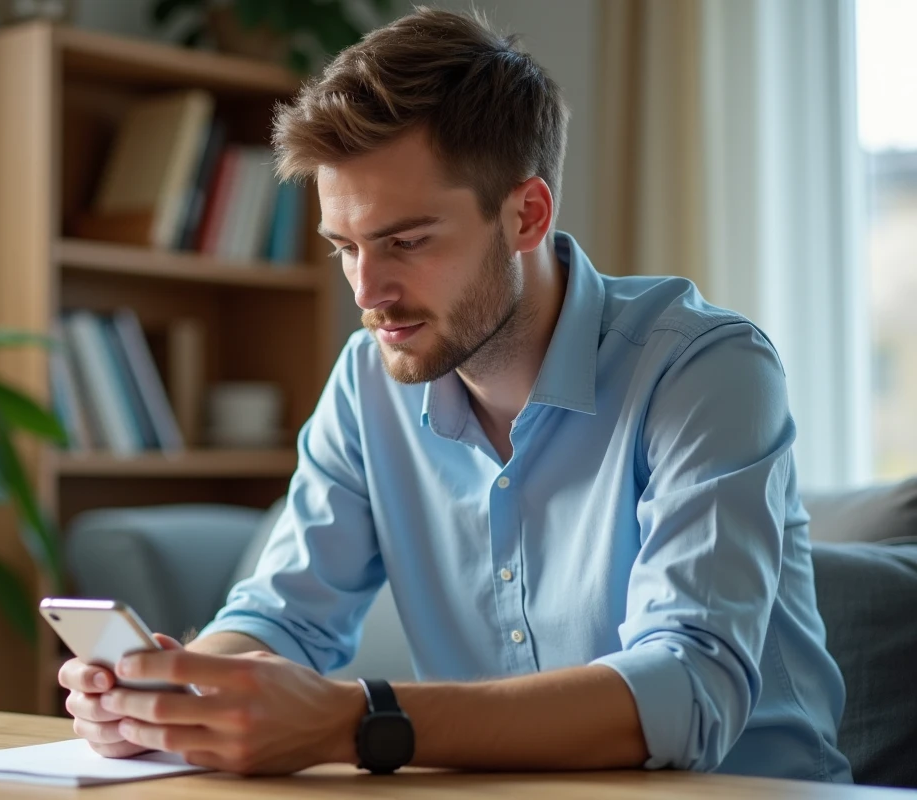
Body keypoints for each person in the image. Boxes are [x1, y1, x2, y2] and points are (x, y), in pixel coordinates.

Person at [59, 7, 852, 782]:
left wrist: (359, 721)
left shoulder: (704, 369)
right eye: (345, 247)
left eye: (407, 242)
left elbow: (687, 691)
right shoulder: (369, 380)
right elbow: (283, 618)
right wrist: (180, 693)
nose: (368, 291)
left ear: (526, 215)